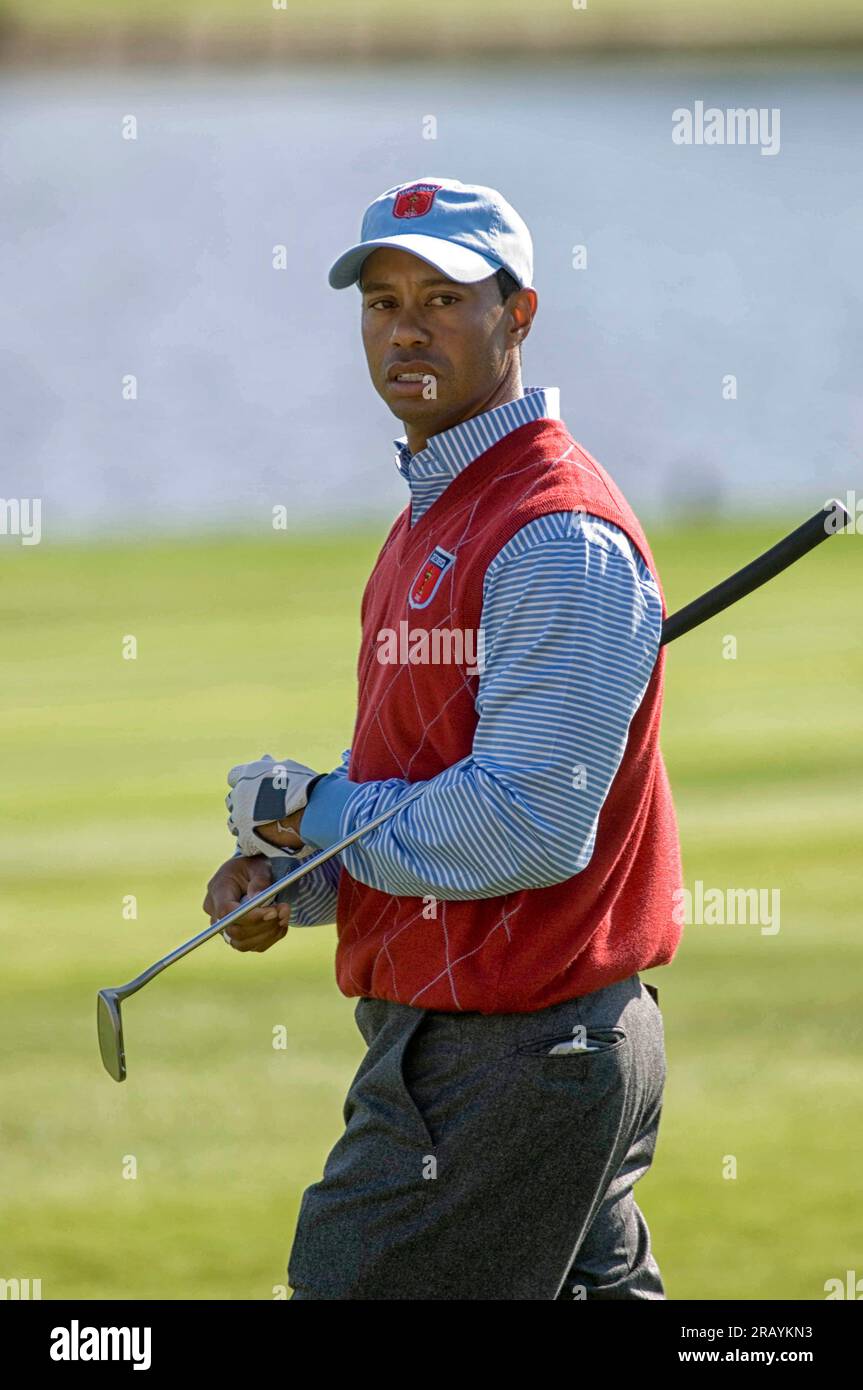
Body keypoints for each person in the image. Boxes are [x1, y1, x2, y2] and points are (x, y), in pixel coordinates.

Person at [203, 177, 684, 1300]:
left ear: (517, 317)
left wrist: (308, 807)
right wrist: (302, 878)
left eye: (442, 297)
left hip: (507, 1050)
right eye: (380, 301)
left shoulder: (552, 533)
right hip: (510, 1045)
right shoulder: (443, 503)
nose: (404, 327)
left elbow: (524, 825)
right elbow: (431, 788)